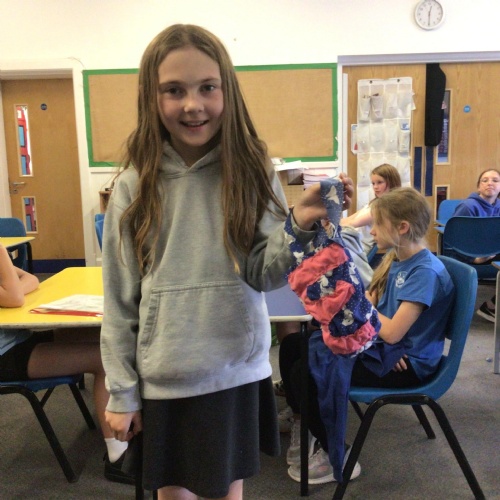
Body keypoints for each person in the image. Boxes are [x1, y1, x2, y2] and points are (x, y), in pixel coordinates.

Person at [99, 24, 354, 500]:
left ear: (227, 92)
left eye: (207, 88)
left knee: (226, 491)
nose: (192, 104)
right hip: (165, 377)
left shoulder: (252, 170)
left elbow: (263, 273)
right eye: (174, 90)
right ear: (152, 98)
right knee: (174, 494)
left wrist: (298, 224)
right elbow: (119, 300)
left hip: (234, 368)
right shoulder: (135, 184)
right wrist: (122, 391)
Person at [281, 187, 454, 485]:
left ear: (402, 227)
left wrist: (362, 311)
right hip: (383, 347)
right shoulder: (396, 258)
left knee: (305, 373)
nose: (371, 231)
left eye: (377, 224)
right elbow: (369, 304)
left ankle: (340, 455)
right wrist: (362, 313)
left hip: (407, 362)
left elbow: (392, 330)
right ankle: (303, 421)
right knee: (292, 346)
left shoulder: (425, 272)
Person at [0, 244, 132, 484]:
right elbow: (16, 297)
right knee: (105, 359)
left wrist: (12, 289)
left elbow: (30, 280)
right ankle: (118, 456)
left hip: (19, 337)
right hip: (5, 355)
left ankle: (129, 422)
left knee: (105, 336)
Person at [446, 168, 500, 322]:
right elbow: (455, 239)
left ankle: (492, 306)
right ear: (478, 187)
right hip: (468, 256)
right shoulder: (468, 206)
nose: (490, 183)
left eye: (495, 180)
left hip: (493, 254)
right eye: (485, 180)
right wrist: (473, 259)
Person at [340, 163, 402, 256]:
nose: (375, 187)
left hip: (357, 249)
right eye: (373, 183)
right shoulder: (373, 203)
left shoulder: (383, 208)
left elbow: (351, 224)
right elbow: (348, 220)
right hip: (350, 243)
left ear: (392, 182)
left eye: (379, 182)